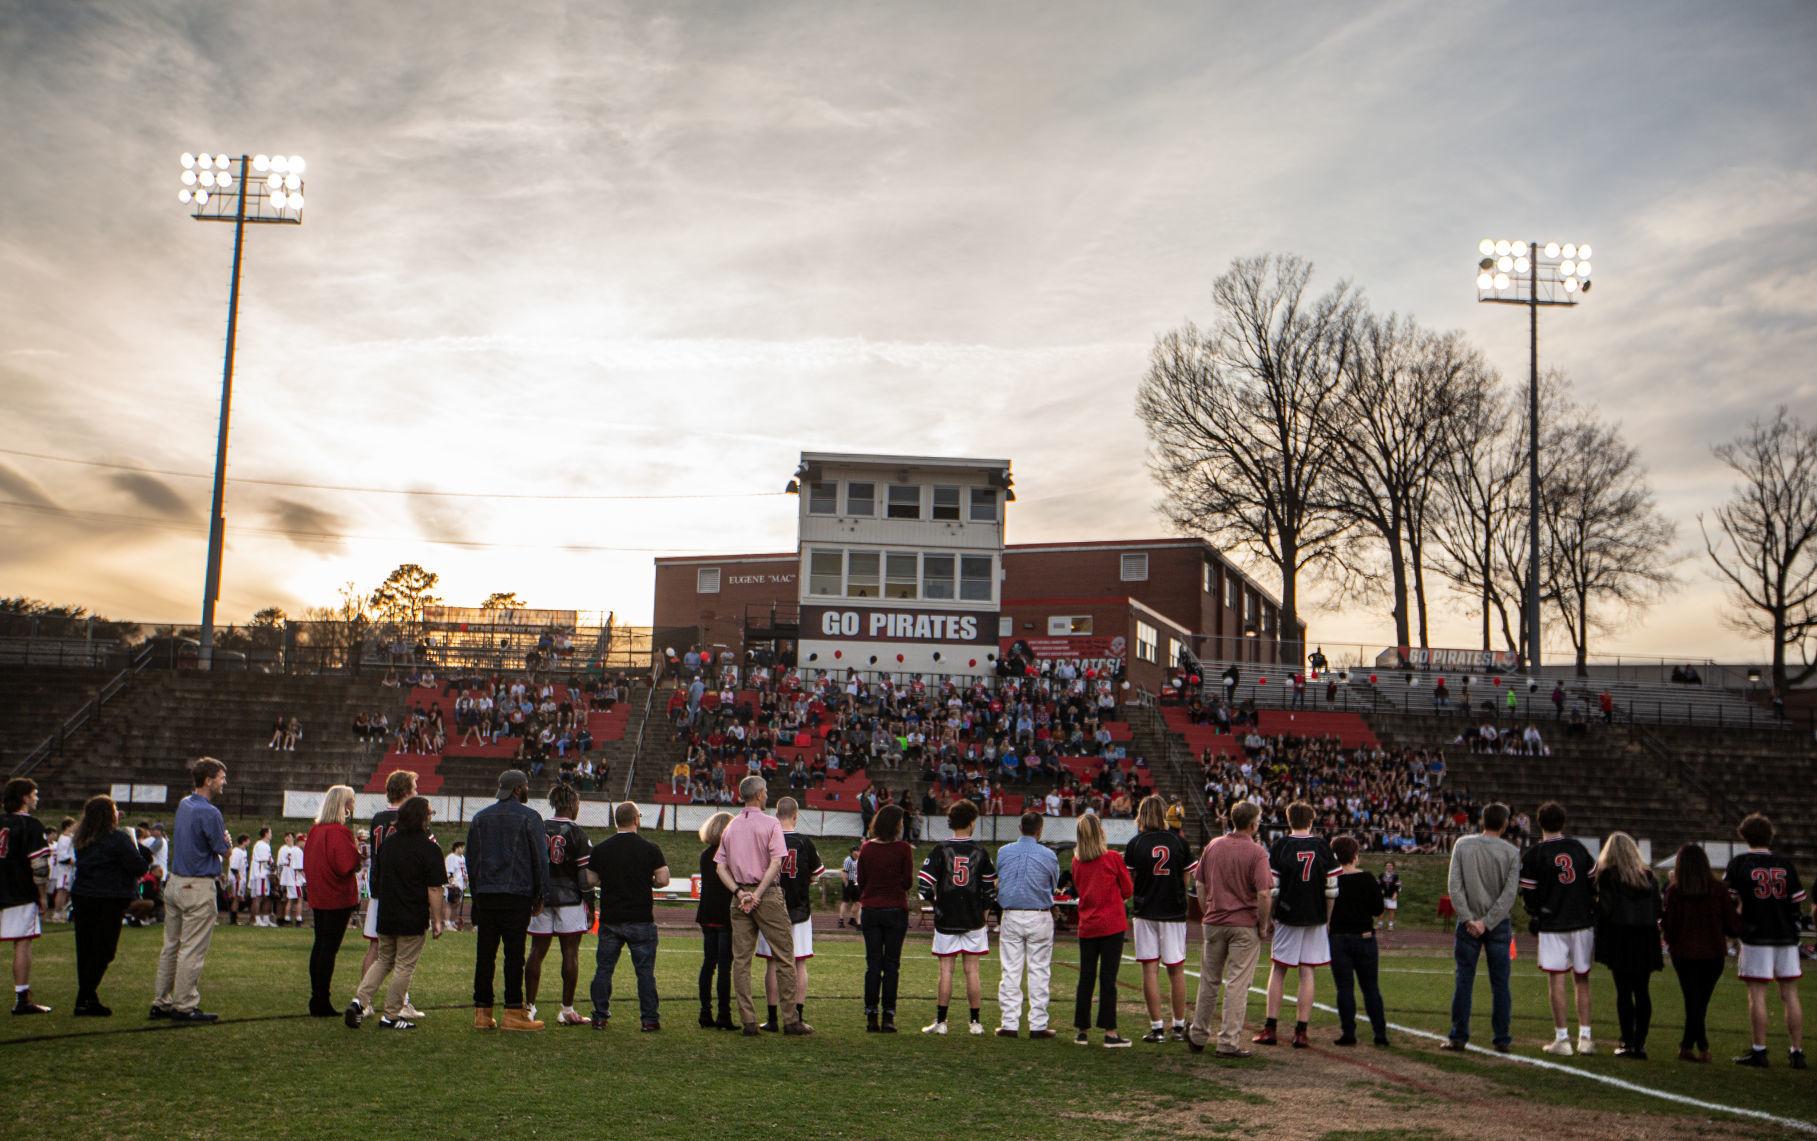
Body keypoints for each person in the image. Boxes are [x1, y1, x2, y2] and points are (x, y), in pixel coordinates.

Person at [715, 776, 811, 1036]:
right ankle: (791, 1019)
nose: (767, 795)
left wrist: (739, 892)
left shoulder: (731, 827)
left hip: (740, 896)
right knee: (784, 956)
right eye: (765, 791)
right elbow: (776, 862)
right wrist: (757, 893)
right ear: (758, 795)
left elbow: (720, 867)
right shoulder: (770, 824)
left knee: (742, 961)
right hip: (766, 894)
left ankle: (748, 1020)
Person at [346, 796, 445, 1031]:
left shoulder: (389, 844)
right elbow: (434, 887)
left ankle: (359, 1001)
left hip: (387, 911)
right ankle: (391, 1014)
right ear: (422, 817)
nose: (431, 817)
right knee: (404, 966)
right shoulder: (429, 847)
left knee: (383, 960)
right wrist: (438, 919)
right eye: (429, 813)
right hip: (411, 913)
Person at [1185, 801, 1271, 1057]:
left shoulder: (1213, 845)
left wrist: (1207, 910)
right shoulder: (1257, 853)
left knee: (1208, 980)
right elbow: (1264, 894)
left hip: (1214, 921)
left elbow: (1199, 885)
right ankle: (1227, 1041)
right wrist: (1263, 925)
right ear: (1253, 824)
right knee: (1237, 983)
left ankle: (1198, 1035)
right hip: (1243, 924)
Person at [468, 768, 550, 1032]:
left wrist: (476, 893)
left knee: (485, 954)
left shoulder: (480, 818)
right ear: (518, 789)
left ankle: (482, 1012)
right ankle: (514, 1012)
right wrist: (540, 895)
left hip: (486, 894)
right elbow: (540, 860)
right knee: (514, 955)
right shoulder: (530, 818)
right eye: (525, 786)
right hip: (517, 893)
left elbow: (472, 861)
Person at [1723, 813, 1807, 1069]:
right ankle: (1797, 1051)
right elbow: (1796, 902)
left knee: (1757, 994)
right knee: (1790, 994)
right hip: (1785, 934)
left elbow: (1731, 901)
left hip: (1756, 935)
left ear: (1744, 835)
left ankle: (1760, 1050)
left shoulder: (1739, 863)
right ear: (1770, 835)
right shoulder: (1785, 864)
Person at [150, 759, 230, 1024]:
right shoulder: (210, 812)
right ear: (208, 780)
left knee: (171, 946)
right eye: (220, 777)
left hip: (175, 881)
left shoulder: (184, 804)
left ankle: (162, 1000)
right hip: (197, 884)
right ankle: (185, 1005)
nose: (223, 782)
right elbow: (220, 847)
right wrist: (226, 841)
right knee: (192, 949)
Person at [1255, 801, 1337, 1048]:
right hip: (1315, 915)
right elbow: (1332, 890)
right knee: (1307, 970)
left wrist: (1268, 918)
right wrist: (1328, 919)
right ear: (1311, 820)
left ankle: (1271, 1027)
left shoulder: (1280, 846)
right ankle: (1301, 1031)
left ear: (1289, 820)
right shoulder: (1322, 845)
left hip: (1288, 914)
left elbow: (1274, 889)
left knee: (1279, 969)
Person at [1440, 802, 1519, 1053]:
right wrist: (1488, 922)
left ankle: (1458, 1036)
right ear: (1505, 824)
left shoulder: (1463, 845)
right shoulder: (1511, 852)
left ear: (1483, 820)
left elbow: (1454, 886)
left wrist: (1468, 918)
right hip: (1497, 925)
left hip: (1469, 923)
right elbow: (1509, 894)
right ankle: (1501, 1038)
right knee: (1500, 984)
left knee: (1464, 979)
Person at [1521, 801, 1597, 1056]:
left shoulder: (1535, 854)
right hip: (1582, 921)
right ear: (1563, 822)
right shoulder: (1578, 848)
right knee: (1582, 979)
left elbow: (1529, 894)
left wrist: (1535, 913)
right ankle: (1585, 1037)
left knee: (1557, 979)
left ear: (1539, 823)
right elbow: (1593, 882)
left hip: (1553, 923)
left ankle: (1562, 1038)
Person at [587, 802, 668, 1031]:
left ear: (616, 821)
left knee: (604, 969)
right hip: (641, 918)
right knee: (645, 973)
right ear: (636, 820)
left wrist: (608, 880)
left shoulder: (602, 849)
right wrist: (647, 880)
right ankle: (649, 1019)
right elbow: (663, 879)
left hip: (611, 918)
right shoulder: (650, 848)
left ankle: (600, 1016)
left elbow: (590, 880)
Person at [918, 799, 996, 1037]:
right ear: (972, 822)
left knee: (946, 971)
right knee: (972, 971)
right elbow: (990, 891)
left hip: (947, 920)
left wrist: (937, 904)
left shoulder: (940, 849)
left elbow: (923, 886)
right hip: (973, 919)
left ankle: (941, 1022)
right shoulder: (981, 852)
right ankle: (975, 1023)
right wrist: (983, 914)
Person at [67, 794, 144, 1015]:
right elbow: (138, 866)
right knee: (105, 949)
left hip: (83, 894)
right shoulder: (117, 838)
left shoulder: (82, 838)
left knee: (86, 947)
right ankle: (85, 996)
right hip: (109, 897)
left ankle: (87, 997)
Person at [1661, 843, 1738, 1063]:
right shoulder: (1718, 890)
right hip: (1713, 953)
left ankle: (1691, 1046)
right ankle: (1697, 1046)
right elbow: (1732, 926)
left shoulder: (1674, 891)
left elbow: (1670, 928)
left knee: (1692, 1000)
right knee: (1700, 1001)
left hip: (1684, 954)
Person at [360, 770, 426, 1021]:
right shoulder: (408, 818)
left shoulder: (377, 817)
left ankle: (364, 1001)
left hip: (379, 887)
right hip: (400, 890)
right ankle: (399, 1003)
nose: (417, 790)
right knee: (401, 953)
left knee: (376, 948)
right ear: (406, 791)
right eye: (414, 786)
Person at [1125, 794, 1190, 1043]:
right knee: (1176, 969)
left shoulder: (1135, 843)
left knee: (1150, 970)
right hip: (1173, 910)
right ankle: (1179, 1026)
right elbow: (1186, 878)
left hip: (1145, 910)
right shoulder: (1179, 842)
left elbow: (1131, 881)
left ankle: (1157, 1027)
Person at [1591, 831, 1662, 1059]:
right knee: (1642, 990)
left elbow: (1606, 910)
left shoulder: (1608, 876)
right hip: (1646, 937)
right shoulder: (1648, 877)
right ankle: (1640, 1043)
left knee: (1623, 991)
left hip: (1620, 937)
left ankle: (1627, 1041)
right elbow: (1658, 909)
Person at [526, 784, 591, 1027]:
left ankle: (529, 1007)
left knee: (536, 951)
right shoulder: (578, 833)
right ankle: (566, 1010)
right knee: (570, 953)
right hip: (570, 899)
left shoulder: (538, 827)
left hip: (541, 897)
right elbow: (584, 876)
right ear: (573, 804)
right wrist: (590, 903)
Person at [757, 797, 823, 1033]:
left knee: (773, 964)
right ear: (795, 815)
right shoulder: (805, 842)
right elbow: (817, 873)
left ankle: (773, 1017)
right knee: (799, 962)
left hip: (771, 908)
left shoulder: (768, 839)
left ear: (776, 814)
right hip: (799, 909)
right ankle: (797, 1016)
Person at [994, 810, 1059, 1039]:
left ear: (1020, 828)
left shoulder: (1003, 852)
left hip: (1011, 914)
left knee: (1010, 970)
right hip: (1039, 914)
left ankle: (1010, 1023)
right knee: (1039, 970)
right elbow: (1053, 883)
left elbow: (1000, 878)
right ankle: (1038, 1025)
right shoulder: (1049, 855)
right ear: (1039, 830)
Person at [1069, 812, 1132, 1047]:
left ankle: (1082, 1029)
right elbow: (1127, 890)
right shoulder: (1113, 858)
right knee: (1108, 979)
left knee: (1086, 978)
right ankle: (1110, 1032)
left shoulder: (1077, 862)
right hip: (1112, 925)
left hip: (1088, 925)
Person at [303, 786, 362, 1018]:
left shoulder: (316, 830)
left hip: (320, 893)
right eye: (351, 801)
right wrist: (358, 854)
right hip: (337, 895)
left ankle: (317, 996)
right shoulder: (339, 831)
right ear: (344, 805)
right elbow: (346, 864)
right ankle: (321, 999)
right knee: (329, 948)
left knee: (320, 945)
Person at [857, 804, 913, 1033]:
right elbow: (908, 882)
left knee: (873, 965)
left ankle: (871, 1014)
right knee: (892, 965)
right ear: (896, 825)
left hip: (871, 910)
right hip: (895, 910)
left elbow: (861, 880)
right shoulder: (903, 849)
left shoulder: (867, 848)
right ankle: (889, 1015)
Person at [1327, 834, 1387, 1047]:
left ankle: (1348, 1033)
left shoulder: (1331, 880)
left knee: (1344, 988)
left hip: (1338, 939)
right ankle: (1380, 1033)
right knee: (1371, 987)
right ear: (1355, 855)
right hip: (1364, 938)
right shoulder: (1368, 878)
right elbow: (1378, 909)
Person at [0, 778, 53, 1014]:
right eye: (34, 794)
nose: (37, 798)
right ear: (24, 797)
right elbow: (39, 866)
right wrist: (42, 895)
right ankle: (22, 998)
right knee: (22, 942)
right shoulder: (31, 826)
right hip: (18, 891)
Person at [696, 811, 736, 1030]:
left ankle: (705, 1012)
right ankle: (724, 1014)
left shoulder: (705, 855)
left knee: (708, 964)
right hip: (725, 915)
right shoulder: (729, 855)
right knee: (724, 967)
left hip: (706, 913)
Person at [48, 817, 74, 923]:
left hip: (71, 870)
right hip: (65, 869)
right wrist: (74, 862)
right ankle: (57, 914)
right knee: (62, 890)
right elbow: (63, 856)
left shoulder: (71, 837)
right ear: (67, 826)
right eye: (73, 825)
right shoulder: (63, 839)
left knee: (67, 891)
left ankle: (64, 912)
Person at [250, 827, 274, 928]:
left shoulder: (265, 845)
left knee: (266, 897)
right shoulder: (262, 845)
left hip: (264, 873)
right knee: (259, 897)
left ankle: (265, 918)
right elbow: (265, 861)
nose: (271, 835)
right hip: (261, 874)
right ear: (266, 834)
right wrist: (273, 869)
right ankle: (256, 919)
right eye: (270, 833)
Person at [226, 835, 250, 926]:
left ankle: (235, 917)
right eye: (248, 840)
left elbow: (245, 866)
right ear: (244, 841)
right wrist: (237, 877)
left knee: (239, 898)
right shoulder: (236, 851)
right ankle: (233, 919)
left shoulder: (244, 852)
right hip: (236, 879)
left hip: (242, 878)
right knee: (236, 898)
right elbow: (234, 867)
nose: (249, 842)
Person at [444, 841, 468, 932]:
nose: (463, 849)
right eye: (462, 847)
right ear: (457, 848)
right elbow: (448, 871)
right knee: (450, 903)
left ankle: (453, 921)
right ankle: (447, 922)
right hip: (453, 884)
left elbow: (464, 870)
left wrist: (466, 878)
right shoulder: (451, 857)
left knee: (456, 904)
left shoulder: (462, 858)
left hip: (461, 884)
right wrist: (452, 882)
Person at [838, 845, 860, 929]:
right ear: (852, 852)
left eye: (858, 851)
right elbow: (844, 872)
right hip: (848, 882)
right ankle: (840, 920)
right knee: (845, 902)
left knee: (857, 902)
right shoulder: (848, 860)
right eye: (856, 851)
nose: (857, 852)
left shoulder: (858, 860)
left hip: (855, 882)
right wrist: (846, 883)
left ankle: (852, 919)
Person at [1377, 861, 1400, 932]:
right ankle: (1380, 925)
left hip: (1392, 895)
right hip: (1383, 896)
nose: (1389, 867)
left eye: (1390, 865)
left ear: (1393, 867)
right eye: (1387, 865)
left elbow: (1398, 886)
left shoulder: (1396, 876)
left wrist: (1395, 894)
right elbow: (1378, 885)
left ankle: (1390, 925)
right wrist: (1379, 892)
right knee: (1381, 910)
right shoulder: (1381, 875)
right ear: (1385, 867)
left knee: (1391, 910)